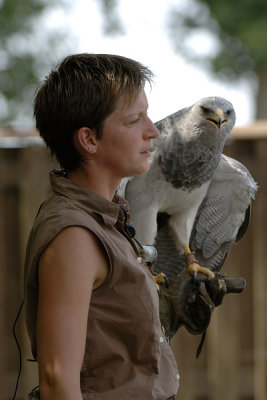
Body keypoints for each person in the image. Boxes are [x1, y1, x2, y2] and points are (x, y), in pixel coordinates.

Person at [24, 53, 179, 400]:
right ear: (89, 140)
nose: (153, 130)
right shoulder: (74, 236)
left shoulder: (108, 218)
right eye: (134, 120)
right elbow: (57, 382)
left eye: (148, 115)